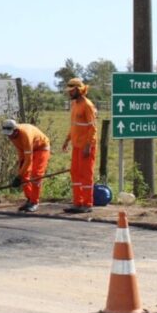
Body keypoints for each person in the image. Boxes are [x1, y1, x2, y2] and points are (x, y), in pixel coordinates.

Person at [60, 77, 98, 213]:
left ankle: (87, 204)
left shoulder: (87, 105)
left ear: (78, 90)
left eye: (71, 90)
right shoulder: (75, 104)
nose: (69, 93)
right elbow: (74, 126)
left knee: (86, 174)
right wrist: (67, 140)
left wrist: (88, 146)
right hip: (76, 145)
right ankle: (78, 202)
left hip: (86, 146)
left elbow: (92, 128)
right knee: (75, 173)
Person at [2, 119, 50, 213]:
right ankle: (30, 199)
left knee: (36, 175)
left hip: (41, 148)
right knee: (24, 174)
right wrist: (20, 170)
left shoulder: (26, 134)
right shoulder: (12, 136)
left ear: (15, 130)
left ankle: (35, 202)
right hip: (27, 151)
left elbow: (29, 159)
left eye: (11, 134)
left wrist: (18, 177)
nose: (9, 136)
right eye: (7, 134)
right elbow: (21, 150)